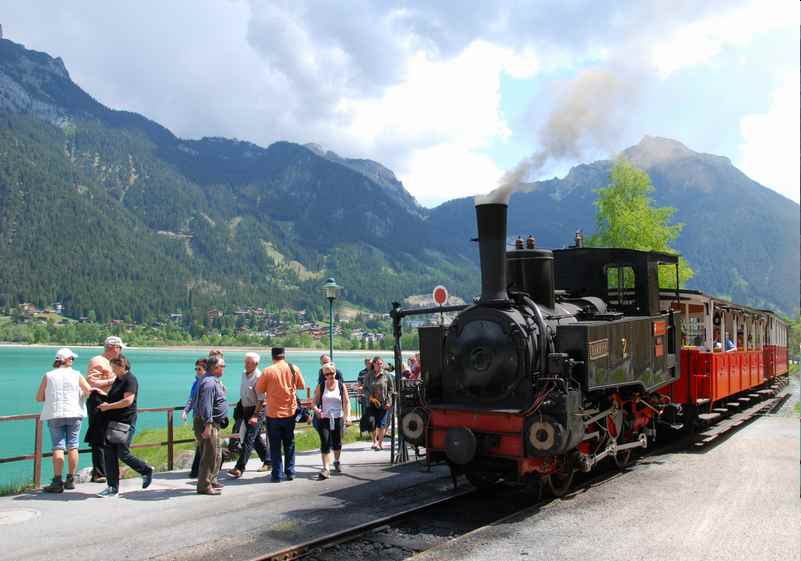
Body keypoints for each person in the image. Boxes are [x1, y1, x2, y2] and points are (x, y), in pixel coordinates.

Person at [35, 348, 100, 493]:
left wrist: (51, 397)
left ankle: (57, 481)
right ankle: (70, 479)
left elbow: (39, 397)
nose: (72, 361)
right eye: (71, 358)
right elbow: (89, 391)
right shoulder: (77, 375)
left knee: (58, 446)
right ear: (66, 360)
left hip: (55, 414)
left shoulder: (48, 375)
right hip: (74, 413)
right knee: (73, 446)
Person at [97, 355, 153, 497]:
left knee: (123, 453)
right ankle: (112, 487)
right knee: (109, 454)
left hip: (125, 422)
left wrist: (108, 407)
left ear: (122, 366)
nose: (112, 370)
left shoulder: (130, 380)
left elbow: (128, 401)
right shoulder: (118, 379)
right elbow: (115, 396)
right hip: (112, 421)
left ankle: (145, 470)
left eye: (114, 367)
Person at [255, 347, 305, 483]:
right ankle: (290, 472)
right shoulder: (294, 368)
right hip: (290, 412)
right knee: (290, 443)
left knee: (275, 445)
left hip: (273, 413)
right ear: (284, 355)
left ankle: (277, 475)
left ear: (272, 356)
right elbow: (301, 385)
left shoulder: (268, 371)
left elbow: (258, 389)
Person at [84, 336, 124, 482]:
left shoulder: (113, 362)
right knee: (99, 436)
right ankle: (99, 472)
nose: (121, 351)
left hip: (111, 401)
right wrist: (111, 381)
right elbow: (91, 381)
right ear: (113, 347)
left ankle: (108, 469)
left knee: (111, 435)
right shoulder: (97, 361)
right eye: (120, 348)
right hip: (98, 400)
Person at [227, 352, 270, 478]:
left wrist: (255, 415)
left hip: (257, 410)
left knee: (248, 438)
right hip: (245, 409)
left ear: (255, 364)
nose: (245, 364)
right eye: (245, 361)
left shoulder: (259, 377)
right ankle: (268, 460)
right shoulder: (243, 374)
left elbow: (261, 400)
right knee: (255, 438)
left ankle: (239, 467)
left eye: (248, 362)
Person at [193, 355, 229, 495]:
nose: (224, 369)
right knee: (209, 455)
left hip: (213, 422)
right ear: (215, 368)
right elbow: (206, 405)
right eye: (222, 366)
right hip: (208, 423)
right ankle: (204, 486)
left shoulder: (211, 380)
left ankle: (210, 480)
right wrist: (208, 424)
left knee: (213, 453)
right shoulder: (209, 383)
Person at [312, 362, 351, 479]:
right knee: (325, 441)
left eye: (332, 373)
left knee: (337, 442)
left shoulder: (341, 386)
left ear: (335, 373)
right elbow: (314, 402)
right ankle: (326, 469)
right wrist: (316, 410)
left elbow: (346, 402)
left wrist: (347, 415)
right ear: (324, 375)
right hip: (324, 418)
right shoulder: (321, 386)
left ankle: (337, 461)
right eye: (327, 374)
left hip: (338, 417)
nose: (330, 376)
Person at [363, 356, 395, 451]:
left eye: (381, 363)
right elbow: (365, 388)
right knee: (372, 422)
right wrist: (370, 397)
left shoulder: (387, 375)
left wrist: (389, 402)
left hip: (383, 402)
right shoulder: (369, 375)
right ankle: (374, 441)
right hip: (371, 403)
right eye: (378, 363)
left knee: (382, 424)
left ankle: (380, 443)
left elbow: (391, 389)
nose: (380, 365)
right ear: (374, 364)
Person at [183, 358, 207, 478]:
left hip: (206, 418)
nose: (197, 371)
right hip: (197, 417)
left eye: (199, 369)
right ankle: (197, 470)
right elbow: (191, 398)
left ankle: (199, 471)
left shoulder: (209, 382)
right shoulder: (196, 382)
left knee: (205, 445)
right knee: (201, 443)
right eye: (196, 369)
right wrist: (186, 411)